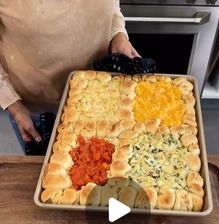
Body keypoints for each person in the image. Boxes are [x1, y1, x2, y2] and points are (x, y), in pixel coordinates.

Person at [0, 0, 139, 150]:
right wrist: (13, 104)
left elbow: (110, 7)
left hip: (103, 99)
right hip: (37, 110)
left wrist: (118, 34)